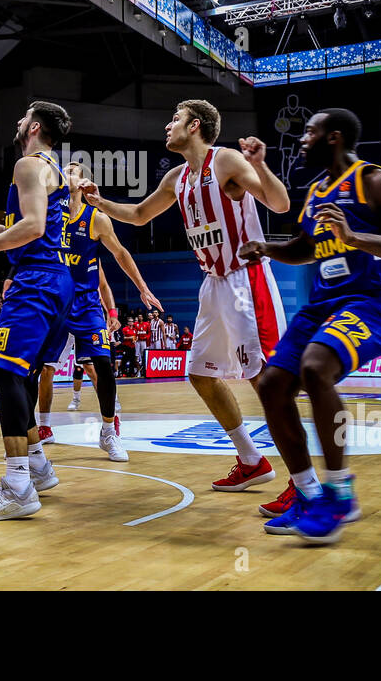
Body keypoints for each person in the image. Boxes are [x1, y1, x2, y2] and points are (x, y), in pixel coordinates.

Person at [237, 107, 381, 543]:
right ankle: (307, 494)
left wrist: (358, 238)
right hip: (324, 304)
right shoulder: (317, 190)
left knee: (315, 366)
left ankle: (340, 495)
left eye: (310, 131)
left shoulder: (378, 182)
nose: (302, 139)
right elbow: (307, 248)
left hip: (371, 302)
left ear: (334, 137)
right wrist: (267, 247)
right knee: (271, 384)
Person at [82, 99, 290, 491]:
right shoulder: (177, 177)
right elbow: (141, 214)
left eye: (174, 119)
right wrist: (100, 202)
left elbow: (279, 203)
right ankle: (251, 459)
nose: (167, 126)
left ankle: (304, 481)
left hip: (246, 279)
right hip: (213, 283)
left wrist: (260, 164)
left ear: (194, 126)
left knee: (265, 380)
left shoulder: (226, 161)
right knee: (201, 375)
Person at [0, 101, 74, 521]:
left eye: (23, 116)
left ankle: (19, 485)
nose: (17, 120)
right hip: (57, 278)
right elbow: (33, 228)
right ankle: (37, 464)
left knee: (5, 371)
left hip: (37, 280)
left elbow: (35, 227)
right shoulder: (49, 167)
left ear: (34, 126)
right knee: (21, 373)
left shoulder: (27, 165)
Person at [34, 162, 161, 454]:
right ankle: (43, 426)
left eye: (73, 170)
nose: (67, 172)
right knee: (43, 368)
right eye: (64, 170)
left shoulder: (97, 219)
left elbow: (120, 253)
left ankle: (108, 431)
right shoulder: (48, 215)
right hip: (54, 299)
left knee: (102, 364)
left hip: (86, 302)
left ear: (84, 182)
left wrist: (142, 288)